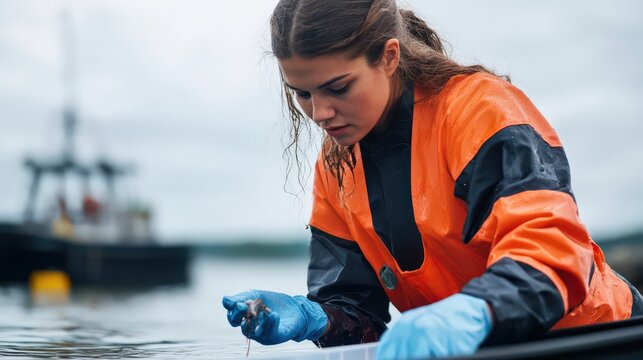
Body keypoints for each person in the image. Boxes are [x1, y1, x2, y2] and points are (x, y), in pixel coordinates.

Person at [222, 1, 643, 359]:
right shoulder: (335, 162)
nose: (319, 113)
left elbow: (551, 249)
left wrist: (475, 311)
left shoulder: (478, 109)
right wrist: (316, 318)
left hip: (596, 339)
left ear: (389, 57)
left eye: (338, 87)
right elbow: (360, 318)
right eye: (303, 93)